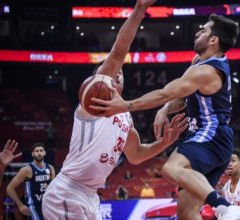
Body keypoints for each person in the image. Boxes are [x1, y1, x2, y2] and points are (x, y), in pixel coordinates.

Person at [90, 13, 240, 219]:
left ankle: (225, 207)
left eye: (203, 30)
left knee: (170, 168)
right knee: (186, 213)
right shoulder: (200, 62)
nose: (197, 32)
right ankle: (224, 207)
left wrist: (124, 106)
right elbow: (181, 97)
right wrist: (165, 110)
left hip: (210, 136)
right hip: (214, 140)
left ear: (214, 40)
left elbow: (166, 93)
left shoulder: (207, 71)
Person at [41, 1, 188, 219]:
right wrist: (139, 10)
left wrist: (164, 143)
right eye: (113, 70)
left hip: (91, 196)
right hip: (68, 191)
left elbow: (136, 155)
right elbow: (118, 53)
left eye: (121, 72)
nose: (118, 72)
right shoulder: (94, 102)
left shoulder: (126, 116)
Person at [7, 143, 55, 220]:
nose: (39, 153)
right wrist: (20, 205)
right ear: (32, 154)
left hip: (47, 205)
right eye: (36, 151)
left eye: (41, 150)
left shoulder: (50, 168)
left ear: (45, 153)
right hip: (33, 206)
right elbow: (9, 188)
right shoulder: (26, 170)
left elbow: (54, 189)